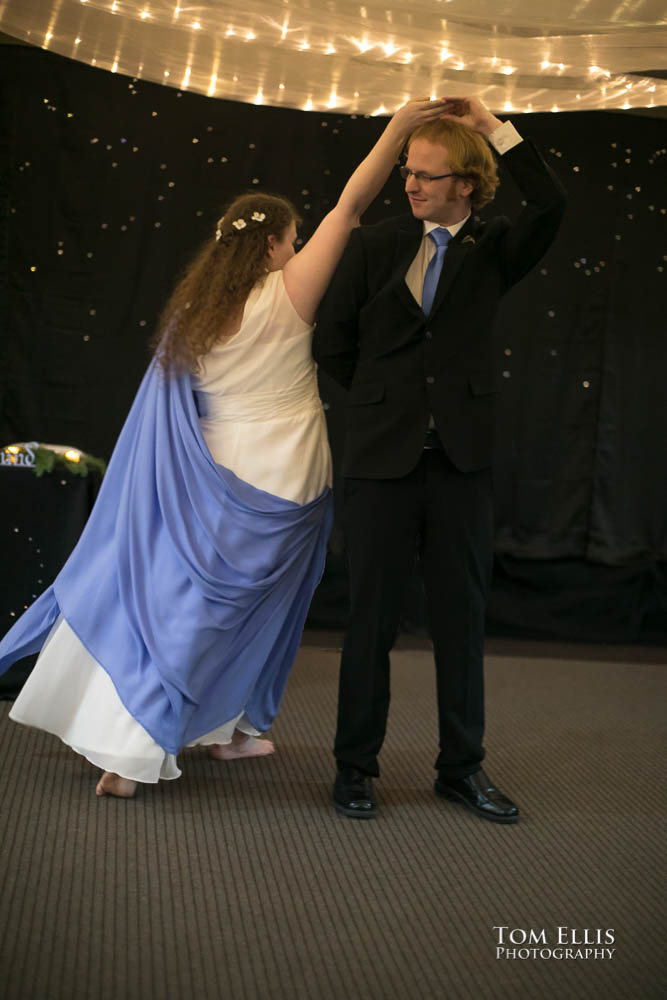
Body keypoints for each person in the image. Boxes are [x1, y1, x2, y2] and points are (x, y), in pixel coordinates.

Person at [0, 98, 448, 798]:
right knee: (244, 611)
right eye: (293, 239)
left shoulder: (192, 314)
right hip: (284, 473)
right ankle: (132, 749)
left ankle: (231, 730)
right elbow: (351, 206)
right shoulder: (290, 291)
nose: (299, 250)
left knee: (192, 603)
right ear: (271, 245)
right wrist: (396, 132)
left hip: (206, 474)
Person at [313, 95, 566, 823]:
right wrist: (382, 402)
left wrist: (496, 129)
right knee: (370, 621)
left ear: (466, 184)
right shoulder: (375, 245)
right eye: (408, 173)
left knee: (461, 622)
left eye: (427, 176)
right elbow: (333, 342)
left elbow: (550, 204)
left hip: (460, 464)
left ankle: (461, 769)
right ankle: (354, 769)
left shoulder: (495, 249)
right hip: (379, 461)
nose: (412, 186)